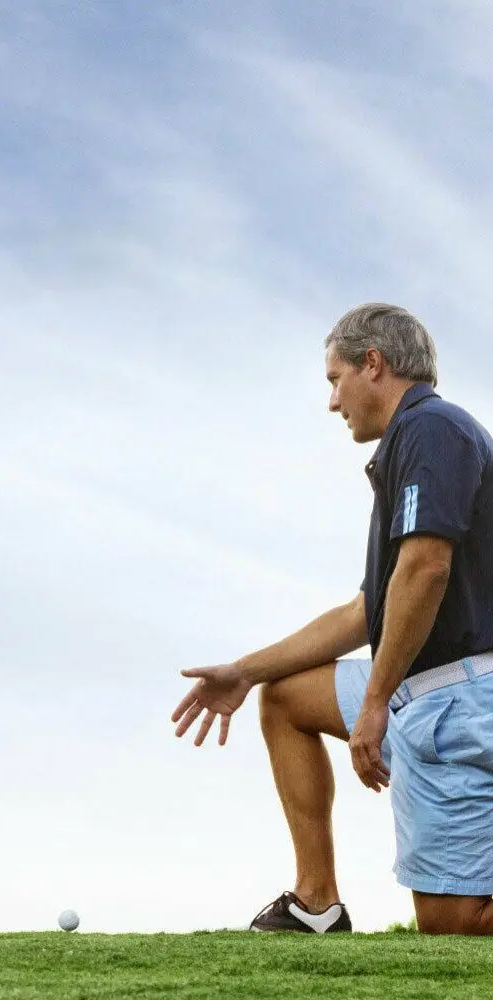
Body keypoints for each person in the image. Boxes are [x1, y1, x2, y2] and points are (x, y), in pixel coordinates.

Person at [171, 303, 493, 935]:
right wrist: (244, 672)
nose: (332, 401)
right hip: (422, 687)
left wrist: (373, 703)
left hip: (459, 696)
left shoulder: (430, 429)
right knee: (285, 697)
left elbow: (426, 569)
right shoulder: (413, 441)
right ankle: (316, 903)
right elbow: (367, 611)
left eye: (334, 379)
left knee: (453, 925)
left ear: (373, 364)